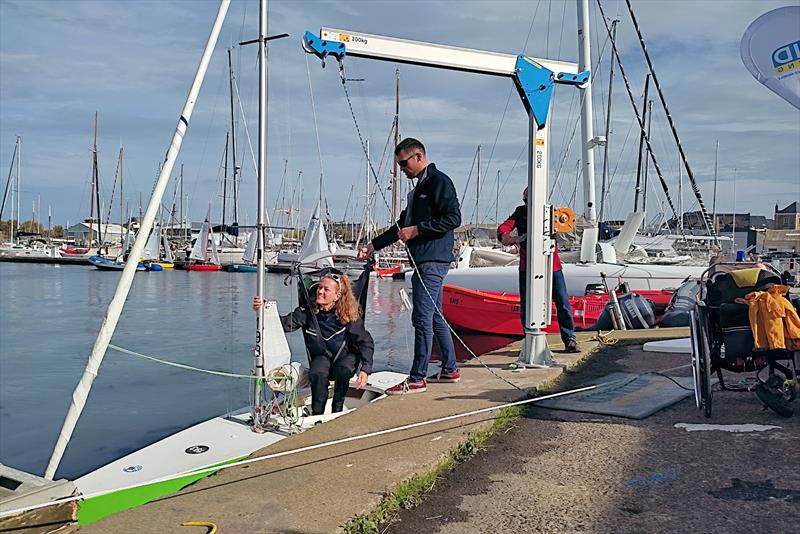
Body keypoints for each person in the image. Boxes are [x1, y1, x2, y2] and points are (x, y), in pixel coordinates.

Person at [357, 138, 461, 394]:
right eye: (399, 164)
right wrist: (373, 245)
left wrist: (417, 230)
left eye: (404, 163)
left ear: (418, 157)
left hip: (433, 259)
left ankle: (417, 378)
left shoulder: (439, 182)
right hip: (423, 259)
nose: (402, 169)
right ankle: (450, 368)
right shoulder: (416, 191)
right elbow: (400, 226)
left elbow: (453, 218)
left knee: (422, 317)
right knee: (435, 315)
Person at [253, 272, 373, 415]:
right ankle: (317, 414)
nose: (320, 291)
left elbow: (366, 342)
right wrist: (265, 310)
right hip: (322, 358)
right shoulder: (307, 313)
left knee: (343, 368)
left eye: (326, 289)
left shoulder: (349, 316)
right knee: (317, 372)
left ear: (337, 295)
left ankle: (337, 409)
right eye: (319, 288)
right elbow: (283, 324)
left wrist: (365, 370)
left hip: (345, 358)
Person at [497, 187, 581, 353]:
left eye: (531, 199)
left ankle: (569, 338)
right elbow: (503, 228)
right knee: (527, 305)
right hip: (527, 266)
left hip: (552, 265)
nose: (528, 203)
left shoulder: (551, 212)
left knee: (562, 302)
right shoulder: (520, 213)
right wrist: (507, 237)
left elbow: (564, 222)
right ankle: (529, 339)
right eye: (526, 200)